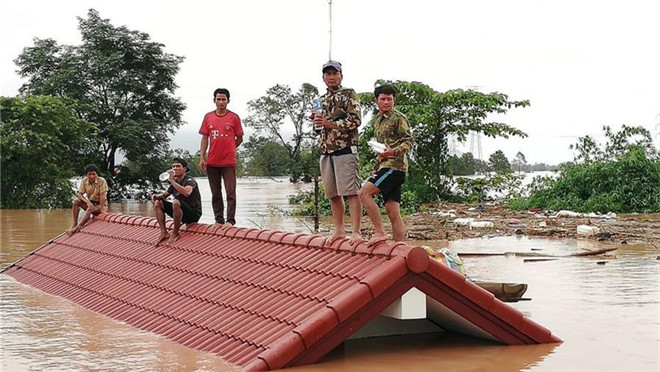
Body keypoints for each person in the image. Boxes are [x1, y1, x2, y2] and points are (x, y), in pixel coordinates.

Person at [312, 60, 362, 244]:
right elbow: (317, 129)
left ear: (341, 75)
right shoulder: (319, 100)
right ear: (323, 77)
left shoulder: (349, 95)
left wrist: (329, 123)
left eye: (335, 73)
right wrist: (317, 122)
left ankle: (356, 231)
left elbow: (355, 121)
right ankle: (339, 230)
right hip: (326, 150)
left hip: (345, 148)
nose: (331, 77)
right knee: (332, 193)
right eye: (328, 74)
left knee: (351, 192)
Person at [359, 84, 413, 244]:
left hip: (394, 167)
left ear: (394, 100)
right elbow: (383, 145)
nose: (386, 102)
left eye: (389, 99)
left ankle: (380, 232)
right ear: (377, 101)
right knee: (392, 211)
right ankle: (400, 247)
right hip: (384, 165)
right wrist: (381, 155)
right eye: (383, 99)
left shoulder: (399, 118)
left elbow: (409, 142)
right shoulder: (377, 120)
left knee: (364, 193)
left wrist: (392, 152)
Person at [199, 88, 244, 227]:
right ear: (214, 100)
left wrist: (230, 148)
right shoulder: (208, 117)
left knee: (230, 192)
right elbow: (205, 138)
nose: (221, 102)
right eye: (218, 99)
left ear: (228, 101)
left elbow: (240, 138)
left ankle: (230, 221)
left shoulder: (234, 117)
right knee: (215, 193)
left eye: (223, 99)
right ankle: (219, 220)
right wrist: (202, 157)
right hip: (212, 161)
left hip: (228, 162)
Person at [151, 158, 202, 244]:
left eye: (178, 166)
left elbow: (186, 192)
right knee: (158, 203)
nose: (175, 169)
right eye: (173, 167)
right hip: (180, 211)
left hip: (193, 213)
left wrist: (171, 181)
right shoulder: (175, 182)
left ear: (184, 169)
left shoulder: (190, 181)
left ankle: (175, 232)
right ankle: (164, 232)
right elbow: (165, 195)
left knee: (175, 201)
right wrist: (156, 196)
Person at [66, 164, 108, 236]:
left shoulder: (102, 181)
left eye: (93, 174)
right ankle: (74, 223)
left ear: (97, 174)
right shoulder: (84, 181)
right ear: (86, 175)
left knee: (89, 209)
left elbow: (102, 197)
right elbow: (79, 194)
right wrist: (87, 202)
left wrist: (102, 210)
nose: (91, 176)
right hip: (91, 203)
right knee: (76, 201)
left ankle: (77, 228)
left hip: (101, 204)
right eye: (89, 174)